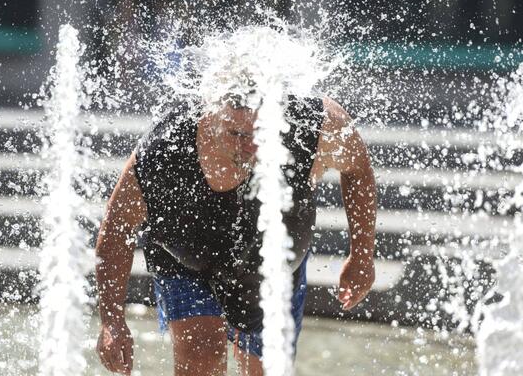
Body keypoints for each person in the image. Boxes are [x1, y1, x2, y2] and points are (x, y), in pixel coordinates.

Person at [95, 94, 377, 375]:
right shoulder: (166, 147)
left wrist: (361, 256)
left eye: (261, 133)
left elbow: (358, 167)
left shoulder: (312, 122)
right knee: (201, 360)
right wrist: (112, 320)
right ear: (210, 116)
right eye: (237, 134)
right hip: (186, 255)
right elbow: (117, 228)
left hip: (269, 260)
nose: (251, 145)